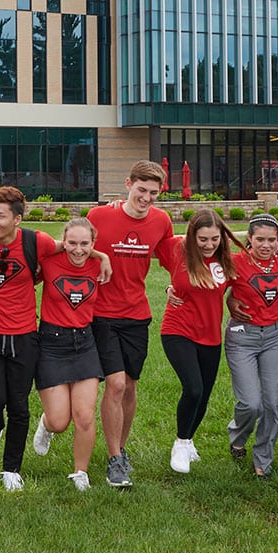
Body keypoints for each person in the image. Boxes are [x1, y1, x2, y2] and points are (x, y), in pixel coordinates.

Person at [87, 160, 176, 487]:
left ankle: (121, 450)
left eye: (154, 193)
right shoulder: (100, 216)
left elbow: (172, 260)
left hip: (137, 314)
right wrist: (101, 258)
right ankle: (114, 460)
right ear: (128, 184)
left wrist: (175, 285)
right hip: (102, 312)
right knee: (116, 384)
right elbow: (78, 247)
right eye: (141, 190)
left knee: (131, 386)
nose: (147, 198)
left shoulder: (161, 220)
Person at [0, 186, 57, 492]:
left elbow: (72, 249)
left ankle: (11, 469)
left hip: (24, 334)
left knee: (19, 404)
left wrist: (99, 254)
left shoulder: (36, 241)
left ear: (17, 219)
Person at [160, 211, 239, 474]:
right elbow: (142, 249)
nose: (208, 244)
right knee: (193, 388)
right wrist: (167, 289)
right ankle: (181, 443)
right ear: (192, 235)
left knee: (204, 394)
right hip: (178, 329)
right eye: (202, 239)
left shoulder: (226, 258)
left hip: (211, 335)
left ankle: (189, 439)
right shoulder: (176, 249)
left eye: (214, 239)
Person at [30, 218, 105, 490]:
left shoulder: (99, 265)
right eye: (72, 243)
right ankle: (46, 425)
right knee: (60, 421)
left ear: (93, 244)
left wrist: (102, 256)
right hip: (51, 343)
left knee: (84, 415)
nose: (78, 249)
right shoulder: (50, 261)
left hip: (84, 343)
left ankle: (80, 471)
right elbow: (34, 243)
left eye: (85, 244)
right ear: (63, 241)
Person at [224, 214, 278, 478]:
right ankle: (238, 434)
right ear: (248, 238)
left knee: (272, 403)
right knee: (252, 404)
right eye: (260, 239)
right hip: (243, 337)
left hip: (273, 337)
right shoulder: (236, 261)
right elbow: (211, 286)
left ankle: (263, 457)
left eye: (271, 240)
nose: (266, 245)